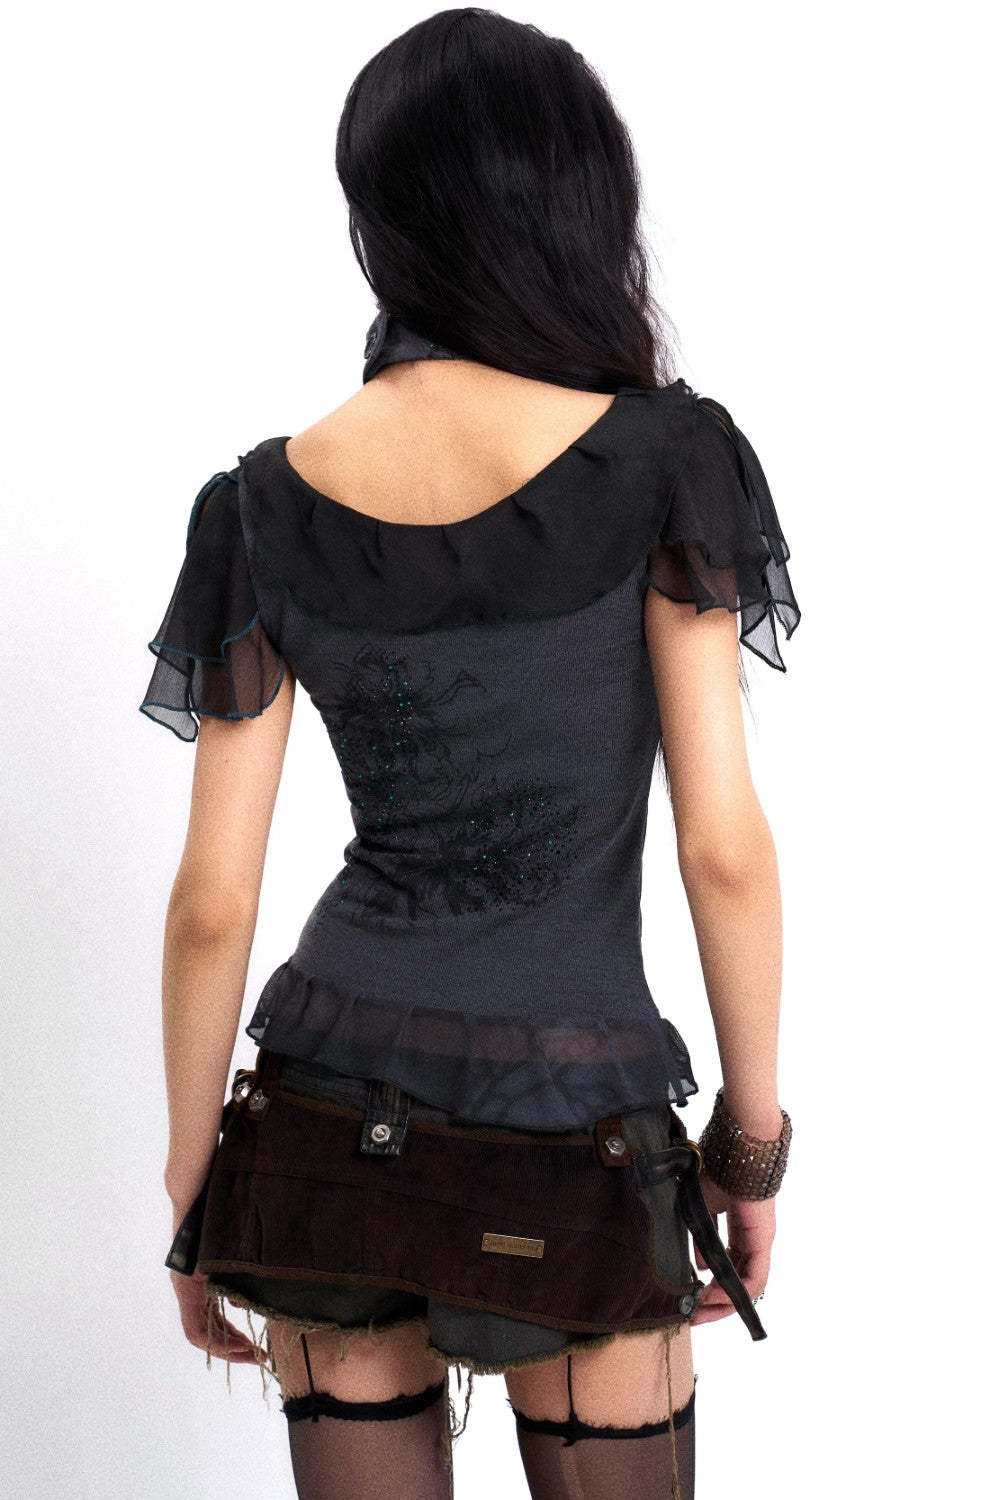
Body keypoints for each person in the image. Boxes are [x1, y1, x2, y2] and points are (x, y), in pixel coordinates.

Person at [141, 10, 799, 1499]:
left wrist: (194, 1182)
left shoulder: (263, 499)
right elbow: (723, 850)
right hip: (572, 1130)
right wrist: (749, 1151)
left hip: (319, 1122)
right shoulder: (665, 459)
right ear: (576, 206)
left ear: (380, 219)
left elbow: (210, 905)